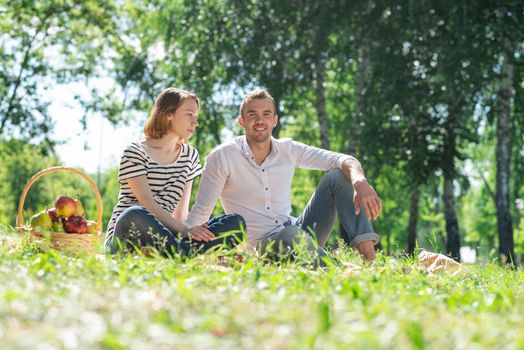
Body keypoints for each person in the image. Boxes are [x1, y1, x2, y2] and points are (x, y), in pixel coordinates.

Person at [185, 89, 382, 266]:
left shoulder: (288, 149)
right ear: (241, 122)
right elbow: (202, 210)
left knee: (338, 176)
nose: (260, 120)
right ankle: (338, 269)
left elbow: (342, 159)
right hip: (263, 249)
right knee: (292, 235)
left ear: (275, 121)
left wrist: (359, 181)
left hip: (298, 231)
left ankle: (370, 263)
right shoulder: (222, 156)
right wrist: (184, 239)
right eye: (252, 115)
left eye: (266, 114)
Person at [105, 87, 245, 257]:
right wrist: (186, 232)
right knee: (135, 213)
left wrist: (190, 232)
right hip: (129, 235)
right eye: (189, 114)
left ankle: (181, 253)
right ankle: (187, 254)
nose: (195, 122)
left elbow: (180, 214)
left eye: (196, 117)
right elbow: (147, 202)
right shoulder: (135, 152)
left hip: (166, 236)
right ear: (168, 114)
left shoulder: (190, 156)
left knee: (235, 222)